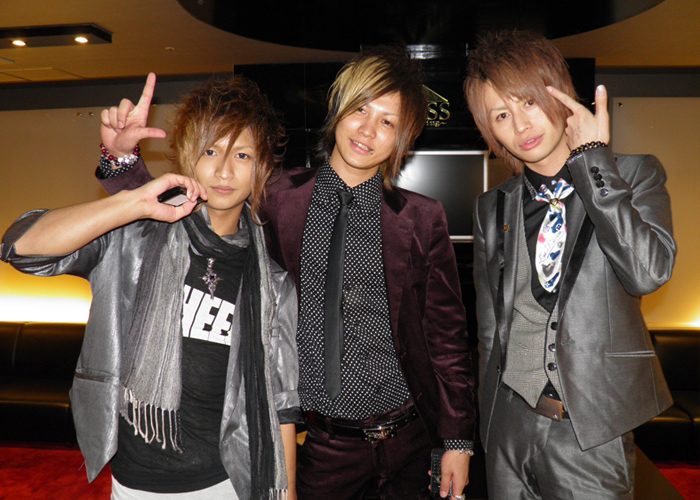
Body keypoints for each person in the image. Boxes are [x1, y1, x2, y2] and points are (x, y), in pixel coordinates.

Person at [95, 47, 477, 500]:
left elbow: (447, 339)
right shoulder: (276, 196)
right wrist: (122, 161)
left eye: (387, 122)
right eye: (360, 110)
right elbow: (176, 217)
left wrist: (457, 441)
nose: (368, 130)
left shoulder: (422, 217)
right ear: (338, 110)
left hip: (408, 439)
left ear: (403, 138)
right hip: (320, 446)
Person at [1, 75, 301, 500]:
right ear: (187, 156)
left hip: (228, 481)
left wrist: (286, 494)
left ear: (262, 168)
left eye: (243, 154)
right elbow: (20, 247)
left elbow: (281, 404)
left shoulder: (273, 285)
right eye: (210, 150)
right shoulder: (137, 238)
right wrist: (131, 201)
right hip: (136, 484)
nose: (223, 170)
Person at [464, 30, 676, 499]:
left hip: (590, 433)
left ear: (558, 92)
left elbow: (647, 272)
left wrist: (592, 162)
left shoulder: (634, 174)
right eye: (501, 115)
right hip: (507, 428)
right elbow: (489, 331)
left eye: (528, 102)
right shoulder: (490, 207)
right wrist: (487, 426)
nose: (521, 124)